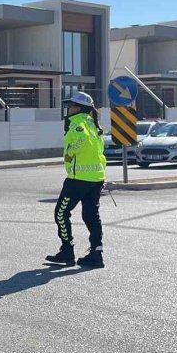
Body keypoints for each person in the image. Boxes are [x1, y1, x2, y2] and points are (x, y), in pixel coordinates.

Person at [45, 92, 106, 268]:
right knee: (91, 215)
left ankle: (67, 250)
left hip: (78, 179)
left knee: (61, 213)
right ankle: (96, 253)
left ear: (79, 108)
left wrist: (70, 153)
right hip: (95, 178)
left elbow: (82, 141)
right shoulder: (93, 124)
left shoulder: (78, 123)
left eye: (71, 106)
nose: (69, 109)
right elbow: (99, 148)